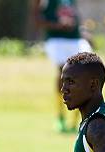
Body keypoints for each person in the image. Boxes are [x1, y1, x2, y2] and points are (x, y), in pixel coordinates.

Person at [31, 0, 92, 133]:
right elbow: (36, 20)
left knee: (85, 72)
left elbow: (74, 15)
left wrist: (82, 31)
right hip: (56, 39)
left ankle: (78, 120)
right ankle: (60, 116)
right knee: (64, 72)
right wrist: (58, 25)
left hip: (75, 39)